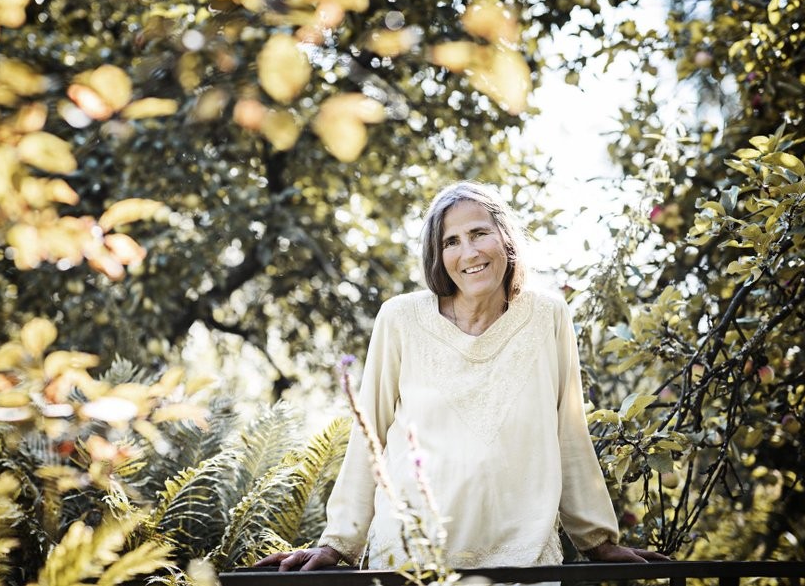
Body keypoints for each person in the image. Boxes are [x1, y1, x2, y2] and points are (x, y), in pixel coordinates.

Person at [257, 181, 668, 572]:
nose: (468, 252)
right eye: (450, 242)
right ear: (437, 256)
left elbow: (569, 432)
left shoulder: (548, 316)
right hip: (412, 561)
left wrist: (597, 539)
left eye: (479, 234)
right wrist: (337, 542)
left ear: (505, 238)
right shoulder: (400, 319)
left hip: (523, 559)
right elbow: (370, 435)